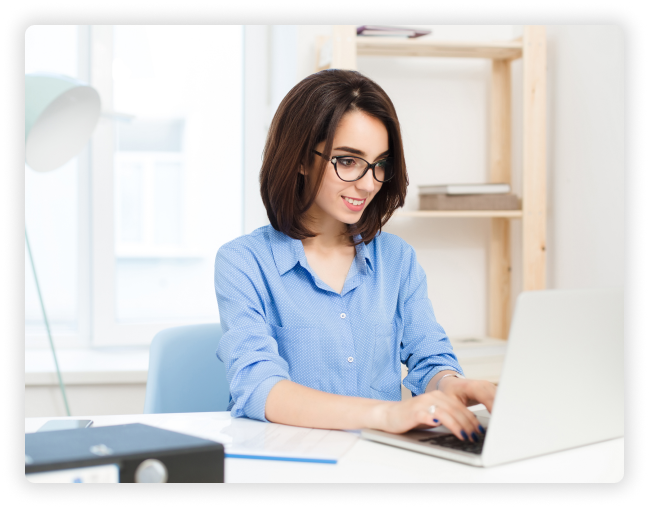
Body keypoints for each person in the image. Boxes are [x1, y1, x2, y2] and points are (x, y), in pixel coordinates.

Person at [214, 69, 496, 443]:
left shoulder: (397, 260)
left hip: (381, 461)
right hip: (292, 463)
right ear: (300, 158)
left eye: (380, 164)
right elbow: (259, 387)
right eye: (348, 161)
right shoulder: (243, 263)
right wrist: (387, 413)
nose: (368, 183)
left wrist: (450, 384)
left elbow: (429, 357)